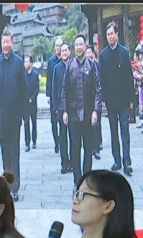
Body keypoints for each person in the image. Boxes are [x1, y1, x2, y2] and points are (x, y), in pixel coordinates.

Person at [0, 29, 27, 201]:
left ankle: (15, 187)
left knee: (14, 152)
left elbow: (24, 89)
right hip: (1, 116)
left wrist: (22, 113)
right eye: (3, 42)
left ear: (12, 42)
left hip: (14, 115)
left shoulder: (18, 62)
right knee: (4, 152)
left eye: (7, 42)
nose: (5, 45)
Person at [60, 34, 102, 187]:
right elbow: (64, 90)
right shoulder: (69, 66)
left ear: (85, 46)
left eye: (81, 44)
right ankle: (77, 181)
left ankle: (87, 179)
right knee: (75, 149)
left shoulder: (92, 65)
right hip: (73, 115)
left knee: (88, 149)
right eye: (76, 44)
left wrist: (96, 110)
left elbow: (98, 89)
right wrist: (64, 110)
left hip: (88, 114)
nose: (78, 47)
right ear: (74, 47)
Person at [99, 21, 134, 176]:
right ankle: (117, 160)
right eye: (107, 34)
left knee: (125, 132)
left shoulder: (124, 52)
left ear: (117, 34)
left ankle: (127, 162)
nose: (109, 37)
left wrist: (131, 100)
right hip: (111, 101)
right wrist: (103, 99)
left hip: (124, 100)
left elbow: (129, 77)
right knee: (114, 132)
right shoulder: (103, 55)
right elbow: (102, 79)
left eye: (111, 33)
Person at [50, 42, 72, 174]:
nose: (63, 52)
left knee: (73, 138)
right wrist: (56, 107)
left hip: (73, 108)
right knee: (63, 137)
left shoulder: (74, 65)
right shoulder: (57, 68)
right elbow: (54, 88)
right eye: (62, 50)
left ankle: (72, 162)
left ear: (69, 52)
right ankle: (64, 163)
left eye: (65, 50)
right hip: (61, 108)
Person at [85, 46, 103, 161]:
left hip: (97, 98)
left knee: (97, 124)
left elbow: (101, 81)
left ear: (93, 53)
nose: (88, 55)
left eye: (89, 52)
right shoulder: (83, 66)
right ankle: (91, 147)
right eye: (86, 53)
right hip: (87, 100)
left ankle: (97, 148)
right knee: (88, 125)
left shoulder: (97, 65)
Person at [46, 37, 63, 155]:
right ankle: (56, 142)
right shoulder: (51, 61)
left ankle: (62, 142)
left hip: (63, 95)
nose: (58, 48)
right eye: (56, 46)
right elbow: (48, 78)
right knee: (54, 122)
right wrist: (48, 95)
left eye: (59, 46)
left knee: (62, 122)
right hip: (53, 94)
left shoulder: (66, 59)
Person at [23, 55, 40, 152]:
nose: (25, 64)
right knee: (26, 123)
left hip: (33, 103)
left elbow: (37, 89)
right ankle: (27, 143)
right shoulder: (23, 74)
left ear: (31, 63)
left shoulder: (35, 74)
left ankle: (34, 141)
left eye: (27, 62)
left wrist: (32, 98)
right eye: (24, 62)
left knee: (34, 123)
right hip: (25, 103)